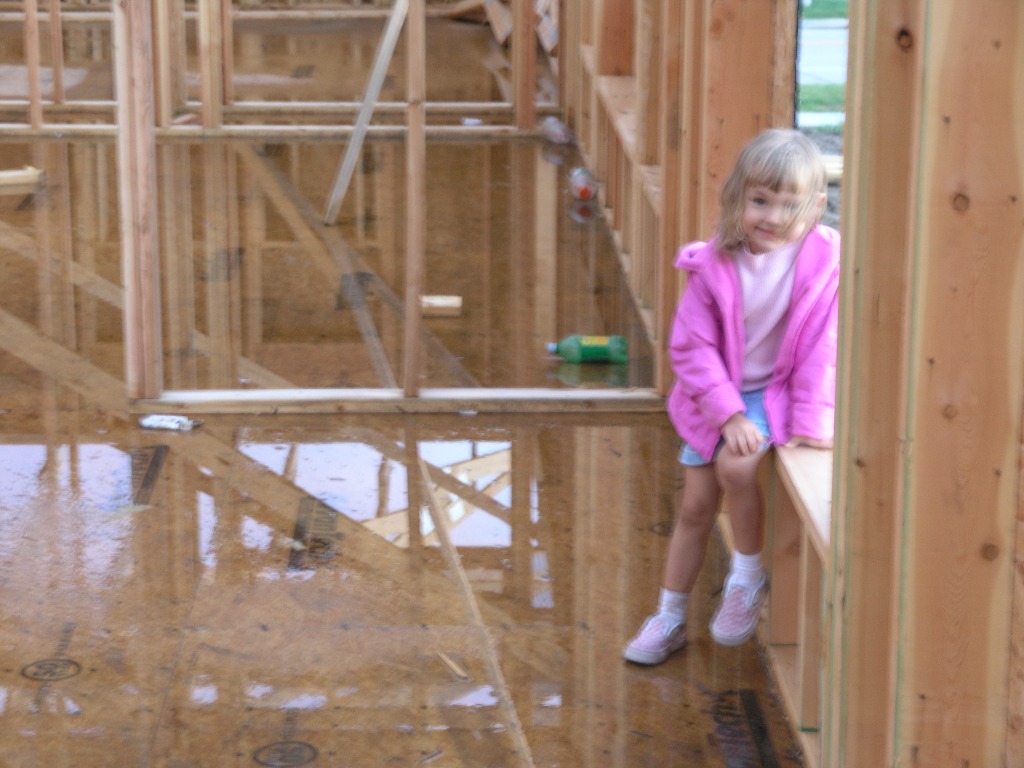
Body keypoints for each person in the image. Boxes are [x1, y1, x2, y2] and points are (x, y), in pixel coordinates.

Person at [624, 128, 840, 664]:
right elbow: (692, 349)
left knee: (737, 468)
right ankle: (669, 616)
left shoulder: (824, 266)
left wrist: (811, 421)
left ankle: (747, 577)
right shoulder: (713, 266)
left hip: (775, 390)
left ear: (815, 208)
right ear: (737, 196)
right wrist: (726, 414)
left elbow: (823, 349)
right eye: (760, 201)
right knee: (695, 507)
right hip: (717, 393)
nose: (773, 217)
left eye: (789, 205)